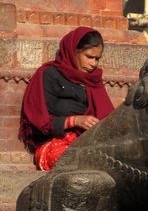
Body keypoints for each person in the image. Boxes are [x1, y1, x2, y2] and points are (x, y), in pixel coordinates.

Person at [18, 27, 114, 171]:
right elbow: (39, 123)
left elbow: (107, 117)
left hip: (88, 143)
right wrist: (75, 121)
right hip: (54, 144)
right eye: (89, 57)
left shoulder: (93, 80)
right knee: (75, 161)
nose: (93, 64)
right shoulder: (49, 75)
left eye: (97, 59)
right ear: (73, 51)